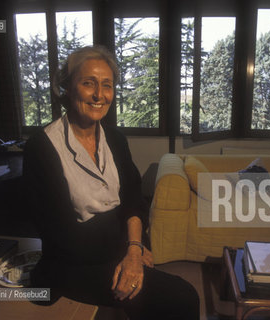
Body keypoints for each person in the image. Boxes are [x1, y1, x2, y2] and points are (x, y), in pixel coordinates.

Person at [22, 45, 200, 319]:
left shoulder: (115, 139)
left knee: (156, 297)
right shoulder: (41, 148)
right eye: (88, 83)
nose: (99, 95)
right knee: (182, 297)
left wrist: (134, 248)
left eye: (107, 85)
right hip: (71, 265)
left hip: (118, 250)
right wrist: (131, 249)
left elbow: (133, 201)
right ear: (68, 88)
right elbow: (59, 233)